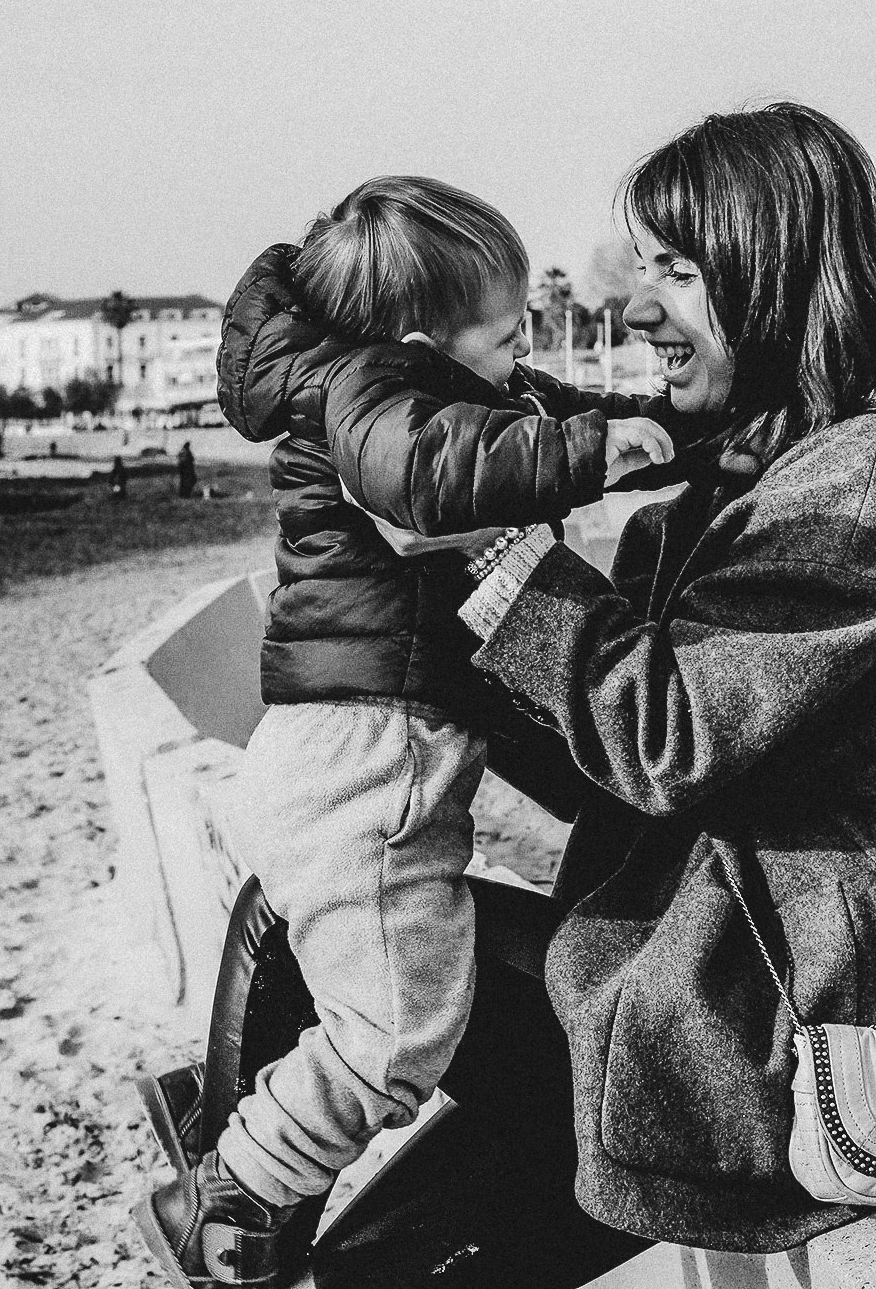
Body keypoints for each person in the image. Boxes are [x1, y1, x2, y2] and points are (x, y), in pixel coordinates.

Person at [298, 101, 876, 1285]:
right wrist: (392, 671)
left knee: (387, 1253)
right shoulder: (727, 486)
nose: (635, 309)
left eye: (677, 270)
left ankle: (248, 1186)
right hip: (659, 971)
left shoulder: (851, 489)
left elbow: (666, 742)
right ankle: (243, 1180)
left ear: (779, 271)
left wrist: (485, 554)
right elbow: (601, 764)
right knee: (309, 895)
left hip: (748, 1030)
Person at [131, 177, 693, 1287]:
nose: (518, 360)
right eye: (503, 339)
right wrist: (591, 458)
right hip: (366, 760)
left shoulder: (414, 382)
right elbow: (434, 475)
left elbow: (535, 414)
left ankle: (226, 1121)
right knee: (398, 1034)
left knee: (385, 991)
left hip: (349, 753)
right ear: (422, 340)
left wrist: (663, 431)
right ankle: (230, 1188)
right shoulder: (374, 397)